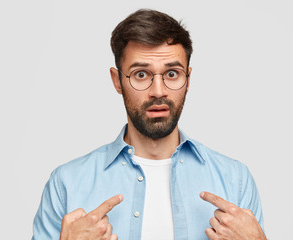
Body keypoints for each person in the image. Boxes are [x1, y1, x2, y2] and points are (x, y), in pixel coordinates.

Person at [32, 9, 266, 240]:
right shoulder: (67, 183)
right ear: (117, 81)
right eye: (141, 74)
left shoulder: (235, 180)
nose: (158, 91)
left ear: (188, 79)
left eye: (172, 74)